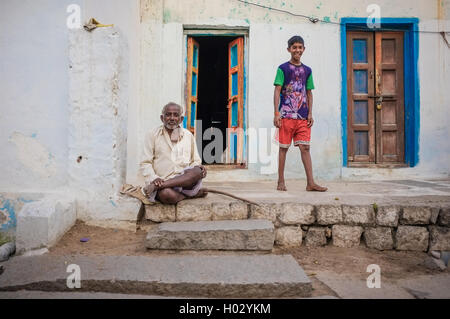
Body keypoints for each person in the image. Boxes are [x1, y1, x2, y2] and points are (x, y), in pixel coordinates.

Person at [273, 35, 327, 192]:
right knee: (283, 148)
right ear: (289, 49)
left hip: (303, 116)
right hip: (286, 115)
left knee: (305, 148)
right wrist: (276, 113)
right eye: (294, 47)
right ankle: (280, 181)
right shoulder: (282, 69)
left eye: (300, 47)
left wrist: (310, 113)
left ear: (304, 49)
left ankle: (311, 183)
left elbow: (309, 93)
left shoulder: (308, 71)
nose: (297, 50)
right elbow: (277, 91)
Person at [140, 102, 207, 204]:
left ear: (181, 119)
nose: (172, 118)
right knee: (166, 195)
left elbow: (195, 161)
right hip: (161, 181)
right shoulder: (152, 135)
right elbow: (145, 163)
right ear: (162, 118)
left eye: (175, 115)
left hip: (185, 183)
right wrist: (154, 179)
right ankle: (189, 195)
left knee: (197, 171)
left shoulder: (188, 135)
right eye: (168, 114)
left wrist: (198, 167)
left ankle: (164, 186)